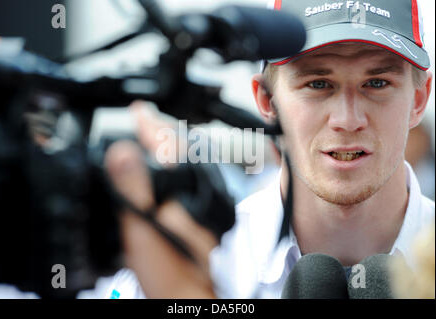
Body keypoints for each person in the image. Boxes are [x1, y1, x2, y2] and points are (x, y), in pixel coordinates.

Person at [103, 0, 434, 299]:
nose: (347, 120)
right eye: (318, 84)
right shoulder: (180, 265)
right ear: (266, 99)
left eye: (376, 83)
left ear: (419, 100)